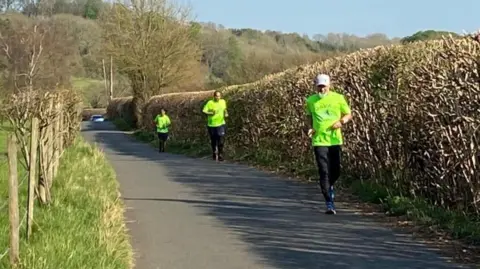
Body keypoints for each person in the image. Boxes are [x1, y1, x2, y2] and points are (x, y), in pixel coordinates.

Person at [305, 74, 352, 215]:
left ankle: (329, 186)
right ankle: (329, 203)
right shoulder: (311, 101)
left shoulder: (338, 98)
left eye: (324, 86)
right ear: (316, 86)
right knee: (323, 171)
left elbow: (348, 114)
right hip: (319, 140)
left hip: (334, 140)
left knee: (336, 170)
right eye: (319, 86)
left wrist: (341, 122)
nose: (322, 89)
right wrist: (309, 127)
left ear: (329, 86)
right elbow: (309, 116)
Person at [202, 90, 228, 162]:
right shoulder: (210, 103)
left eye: (219, 96)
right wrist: (210, 113)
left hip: (221, 123)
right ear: (214, 96)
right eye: (216, 96)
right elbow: (204, 111)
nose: (218, 97)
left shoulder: (223, 102)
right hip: (212, 124)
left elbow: (225, 109)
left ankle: (220, 155)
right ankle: (214, 152)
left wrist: (226, 113)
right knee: (213, 140)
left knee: (221, 139)